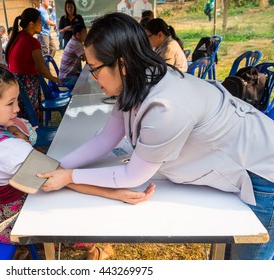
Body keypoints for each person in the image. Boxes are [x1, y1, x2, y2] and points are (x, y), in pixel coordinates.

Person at [38, 12, 274, 260]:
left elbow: (133, 175)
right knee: (229, 256)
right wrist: (59, 166)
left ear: (122, 64)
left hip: (262, 174)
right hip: (238, 162)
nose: (93, 79)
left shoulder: (166, 106)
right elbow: (106, 138)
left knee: (246, 265)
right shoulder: (136, 81)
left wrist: (69, 176)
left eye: (95, 69)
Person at [0, 64, 154, 244]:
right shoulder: (10, 150)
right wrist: (114, 193)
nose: (17, 109)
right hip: (10, 222)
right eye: (10, 103)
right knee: (74, 211)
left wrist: (16, 132)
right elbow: (59, 177)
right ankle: (93, 249)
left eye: (16, 101)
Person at [5, 8, 59, 123]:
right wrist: (56, 80)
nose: (42, 24)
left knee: (22, 117)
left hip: (15, 83)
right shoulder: (32, 42)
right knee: (31, 116)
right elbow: (42, 69)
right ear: (31, 24)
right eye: (40, 21)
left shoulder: (17, 37)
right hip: (27, 84)